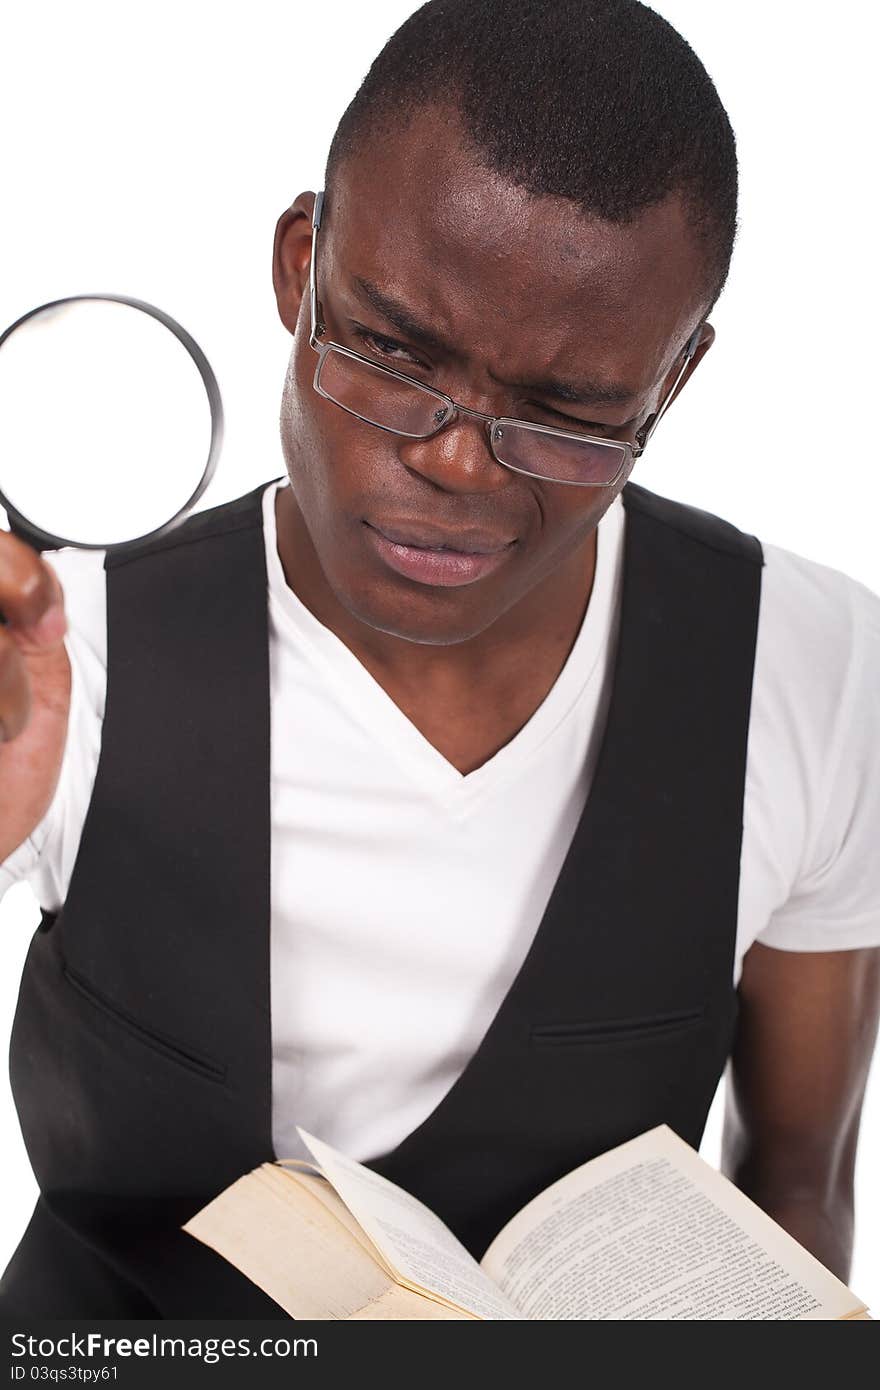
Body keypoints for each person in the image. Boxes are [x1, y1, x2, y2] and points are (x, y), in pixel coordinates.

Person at [0, 0, 878, 1318]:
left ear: (674, 380)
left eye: (570, 413)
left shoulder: (814, 674)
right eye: (397, 353)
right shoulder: (64, 666)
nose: (458, 463)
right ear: (301, 267)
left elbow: (799, 1180)